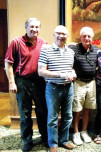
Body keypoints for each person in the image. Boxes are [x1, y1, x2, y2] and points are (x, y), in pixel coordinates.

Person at [4, 18, 47, 152]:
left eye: (37, 27)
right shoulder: (16, 42)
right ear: (26, 28)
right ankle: (27, 141)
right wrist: (12, 82)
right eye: (31, 27)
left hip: (40, 81)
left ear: (39, 29)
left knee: (42, 111)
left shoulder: (43, 42)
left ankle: (45, 137)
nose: (34, 29)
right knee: (25, 113)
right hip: (23, 81)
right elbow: (8, 64)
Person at [38, 25, 76, 152]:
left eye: (64, 34)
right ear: (54, 35)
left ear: (67, 36)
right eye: (58, 33)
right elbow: (41, 71)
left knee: (68, 116)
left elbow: (70, 68)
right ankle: (53, 143)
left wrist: (73, 73)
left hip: (69, 88)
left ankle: (64, 140)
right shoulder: (46, 51)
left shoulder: (71, 52)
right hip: (53, 88)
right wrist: (60, 74)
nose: (61, 36)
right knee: (53, 118)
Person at [69, 27, 99, 146]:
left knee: (87, 109)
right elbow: (66, 58)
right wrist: (71, 70)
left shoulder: (96, 50)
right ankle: (75, 133)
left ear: (92, 38)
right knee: (77, 110)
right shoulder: (73, 49)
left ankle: (84, 131)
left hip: (91, 83)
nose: (87, 38)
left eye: (89, 36)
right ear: (80, 37)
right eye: (84, 36)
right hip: (78, 83)